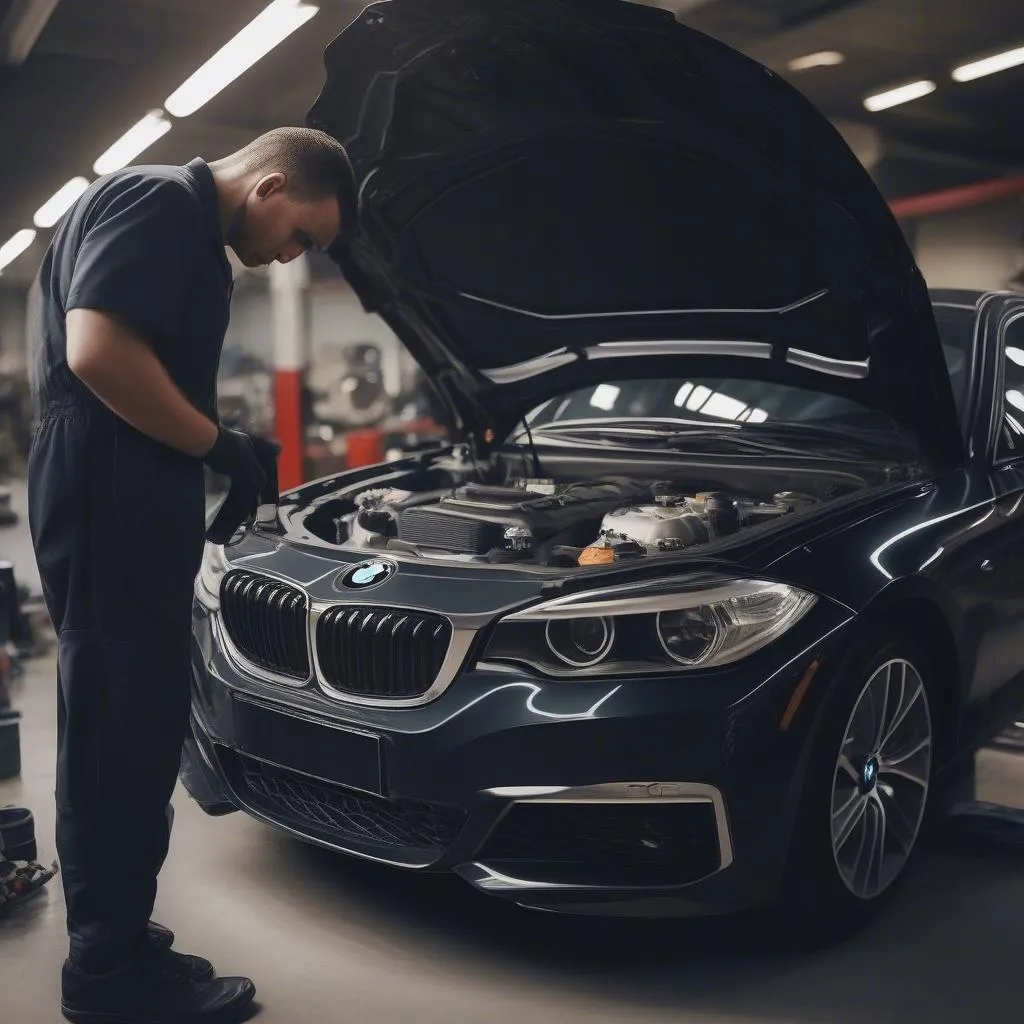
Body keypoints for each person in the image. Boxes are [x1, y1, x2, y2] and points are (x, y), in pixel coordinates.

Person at [27, 127, 356, 1023]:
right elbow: (97, 352)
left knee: (138, 714)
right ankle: (107, 969)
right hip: (109, 487)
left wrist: (215, 456)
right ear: (272, 183)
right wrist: (222, 445)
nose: (291, 257)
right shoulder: (158, 200)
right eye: (301, 237)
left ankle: (121, 930)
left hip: (128, 487)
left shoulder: (181, 228)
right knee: (117, 721)